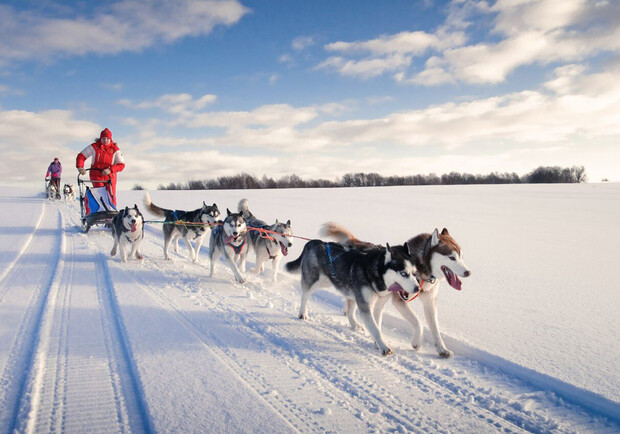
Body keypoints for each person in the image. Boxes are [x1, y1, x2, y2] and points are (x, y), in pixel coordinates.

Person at [76, 128, 125, 206]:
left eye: (108, 139)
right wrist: (80, 167)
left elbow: (121, 165)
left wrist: (110, 169)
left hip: (110, 176)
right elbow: (81, 156)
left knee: (111, 196)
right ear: (100, 138)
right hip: (96, 175)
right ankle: (99, 213)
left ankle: (112, 215)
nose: (105, 140)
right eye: (103, 138)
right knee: (100, 195)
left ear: (111, 139)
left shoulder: (115, 149)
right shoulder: (94, 147)